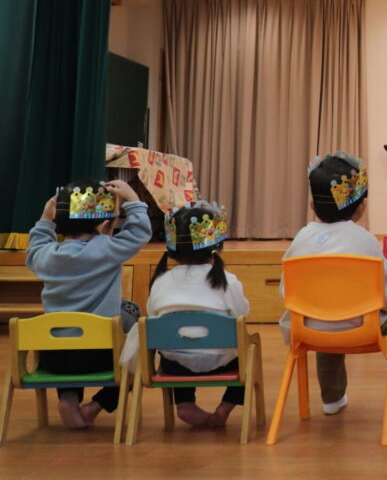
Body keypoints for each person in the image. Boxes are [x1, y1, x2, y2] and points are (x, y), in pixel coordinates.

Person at [281, 152, 387, 416]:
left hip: (309, 327)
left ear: (313, 206)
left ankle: (332, 398)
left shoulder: (301, 239)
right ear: (361, 207)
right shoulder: (365, 240)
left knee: (324, 314)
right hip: (362, 325)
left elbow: (287, 290)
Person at [25, 179, 151, 429]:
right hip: (103, 356)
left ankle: (68, 398)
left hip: (54, 359)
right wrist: (134, 201)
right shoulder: (108, 249)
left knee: (68, 339)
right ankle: (96, 405)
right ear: (102, 222)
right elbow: (139, 234)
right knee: (135, 354)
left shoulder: (45, 256)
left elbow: (36, 245)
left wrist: (45, 219)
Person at [121, 201, 250, 427]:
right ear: (216, 245)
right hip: (221, 361)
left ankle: (184, 404)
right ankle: (225, 407)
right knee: (249, 356)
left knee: (176, 349)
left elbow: (153, 314)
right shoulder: (227, 281)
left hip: (175, 363)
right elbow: (241, 313)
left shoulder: (161, 281)